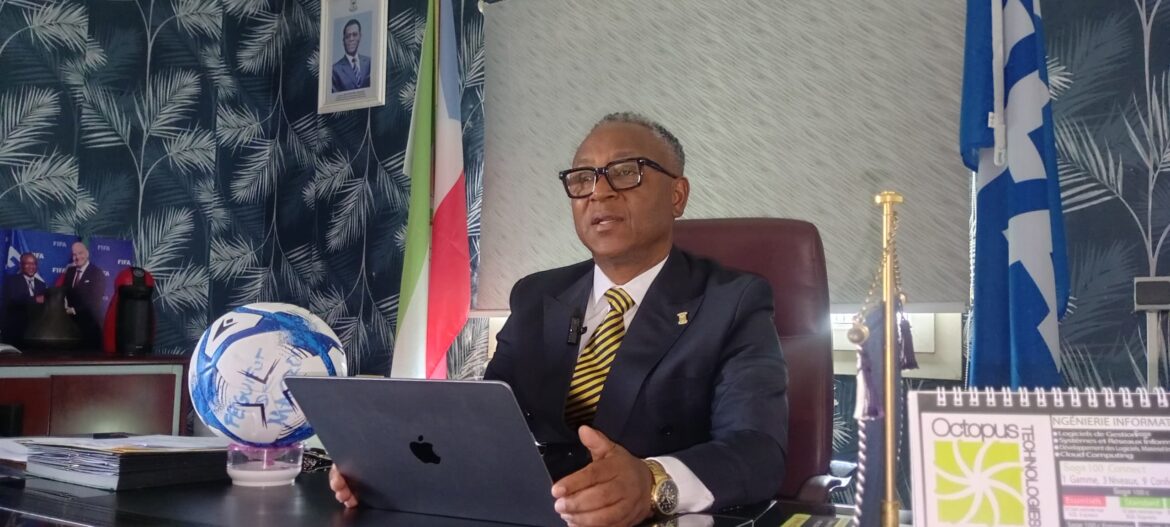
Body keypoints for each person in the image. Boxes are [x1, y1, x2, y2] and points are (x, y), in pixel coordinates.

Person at [331, 113, 789, 526]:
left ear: (677, 195)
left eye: (625, 172)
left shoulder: (733, 301)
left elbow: (758, 451)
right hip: (532, 514)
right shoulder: (537, 296)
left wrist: (652, 483)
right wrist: (390, 467)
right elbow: (487, 425)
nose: (599, 192)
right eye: (583, 177)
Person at [59, 241, 106, 348]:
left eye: (80, 253)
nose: (77, 257)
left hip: (90, 328)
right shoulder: (70, 271)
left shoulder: (97, 273)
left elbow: (94, 301)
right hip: (71, 328)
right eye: (74, 254)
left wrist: (73, 310)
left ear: (87, 253)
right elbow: (64, 293)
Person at [2, 252, 46, 345]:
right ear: (21, 265)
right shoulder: (12, 281)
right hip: (14, 331)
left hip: (34, 333)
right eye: (28, 263)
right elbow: (14, 300)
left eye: (34, 263)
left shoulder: (41, 284)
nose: (31, 266)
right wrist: (35, 300)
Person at [331, 19, 372, 92]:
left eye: (355, 35)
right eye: (347, 36)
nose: (351, 39)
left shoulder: (369, 62)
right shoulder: (335, 69)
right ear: (343, 40)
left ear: (360, 37)